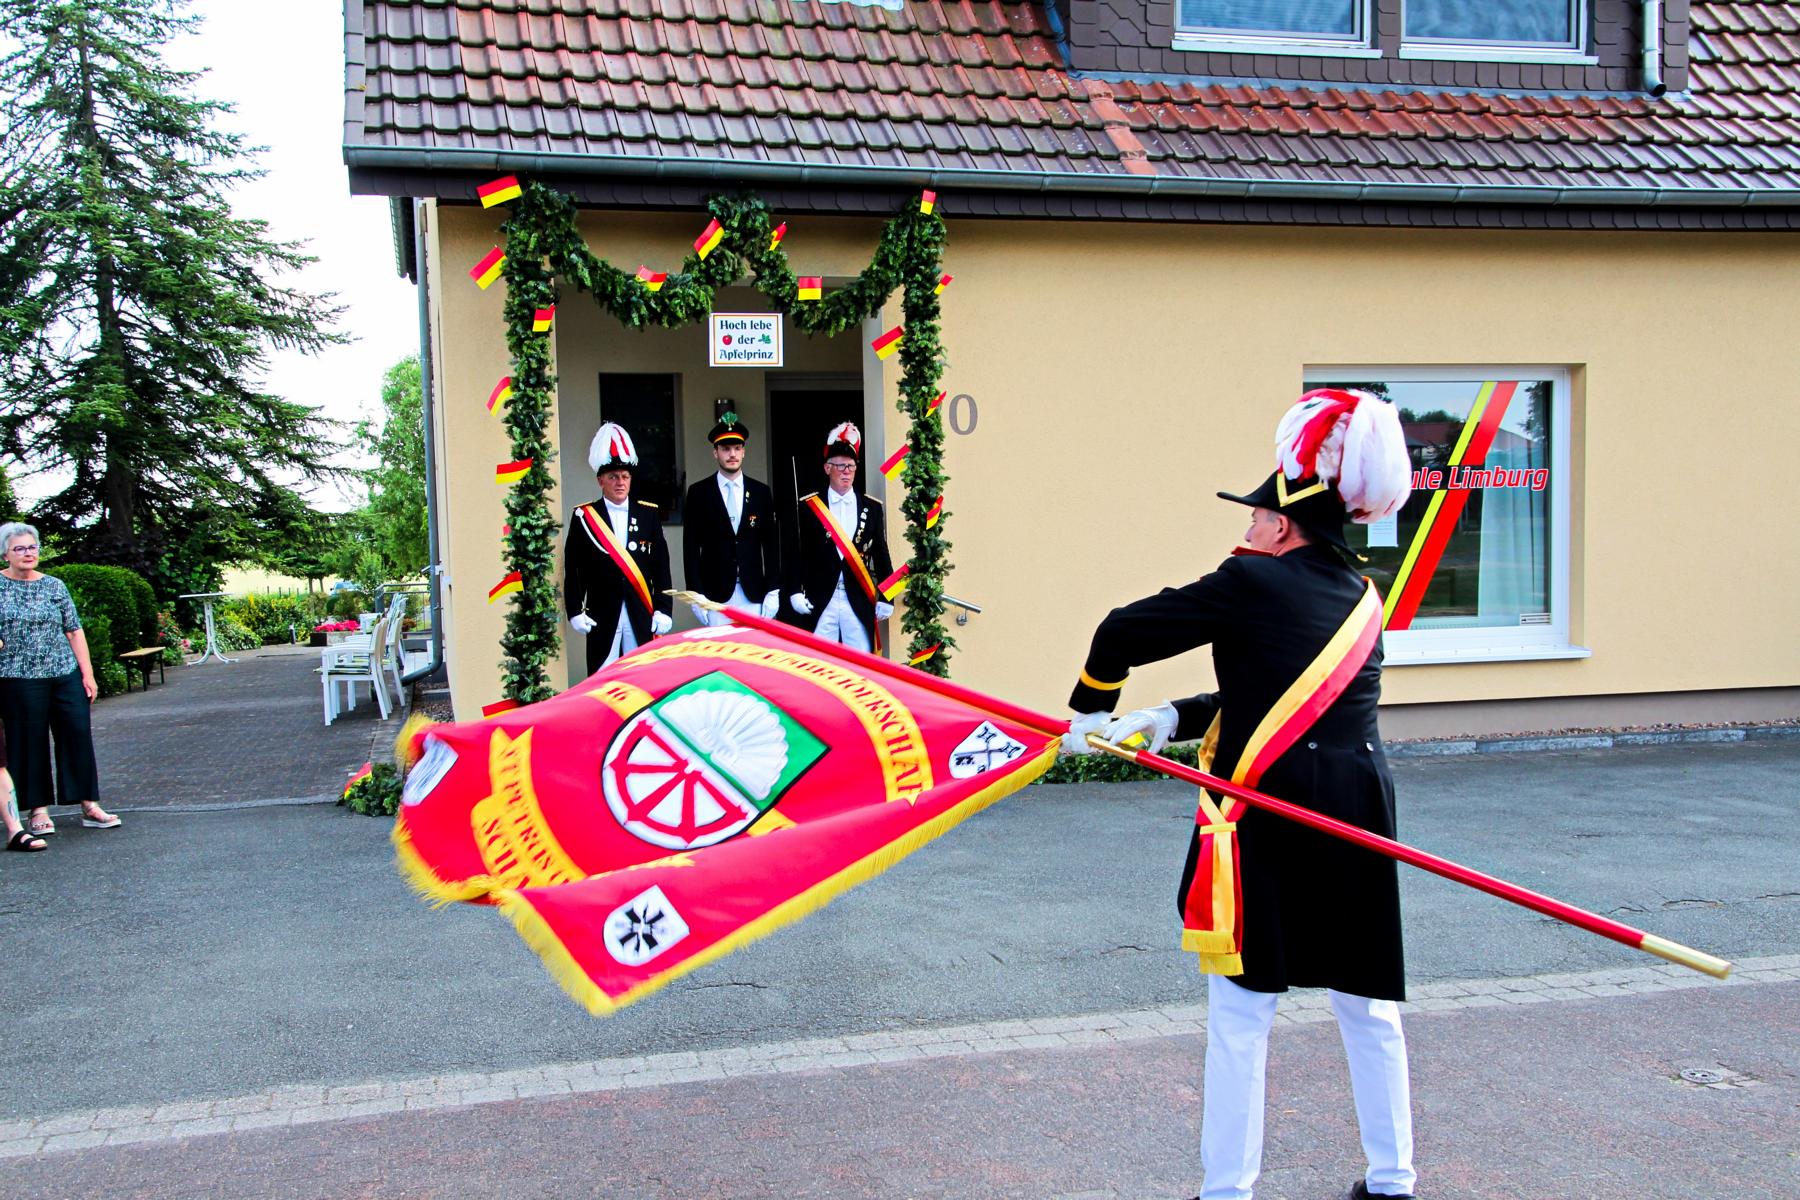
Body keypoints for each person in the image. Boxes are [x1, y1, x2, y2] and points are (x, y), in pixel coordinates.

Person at [1062, 390, 1417, 1200]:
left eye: (1257, 516)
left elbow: (1120, 630)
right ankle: (1393, 1182)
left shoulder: (1251, 580)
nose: (1247, 528)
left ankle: (1228, 1192)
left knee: (1242, 1015)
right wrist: (1168, 717)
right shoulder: (1363, 597)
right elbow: (1285, 697)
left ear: (1283, 528)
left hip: (1270, 811)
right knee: (1366, 1006)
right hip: (1358, 809)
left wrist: (1089, 714)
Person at [0, 522, 121, 841]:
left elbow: (74, 630)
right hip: (18, 678)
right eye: (19, 548)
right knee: (28, 742)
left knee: (77, 734)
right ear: (6, 554)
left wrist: (87, 673)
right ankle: (37, 810)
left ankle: (89, 805)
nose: (28, 553)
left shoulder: (54, 586)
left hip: (63, 673)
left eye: (32, 547)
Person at [563, 423, 673, 674]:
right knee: (603, 677)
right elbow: (574, 568)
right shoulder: (584, 516)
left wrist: (664, 609)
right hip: (602, 613)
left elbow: (661, 568)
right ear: (600, 480)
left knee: (641, 676)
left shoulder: (648, 515)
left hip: (640, 611)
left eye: (625, 476)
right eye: (613, 477)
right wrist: (575, 610)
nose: (620, 482)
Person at [786, 422, 893, 653]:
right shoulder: (809, 506)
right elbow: (796, 553)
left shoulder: (872, 507)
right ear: (827, 468)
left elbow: (881, 554)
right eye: (840, 466)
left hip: (857, 597)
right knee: (818, 661)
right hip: (821, 597)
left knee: (861, 661)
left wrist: (888, 597)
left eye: (851, 466)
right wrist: (794, 590)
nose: (846, 471)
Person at [681, 410, 781, 626]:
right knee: (720, 648)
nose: (732, 454)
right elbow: (690, 548)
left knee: (752, 648)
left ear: (744, 451)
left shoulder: (761, 492)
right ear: (715, 452)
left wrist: (773, 589)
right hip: (714, 594)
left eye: (737, 448)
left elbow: (771, 545)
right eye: (725, 449)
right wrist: (695, 594)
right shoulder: (699, 492)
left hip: (753, 591)